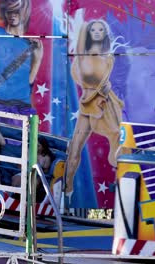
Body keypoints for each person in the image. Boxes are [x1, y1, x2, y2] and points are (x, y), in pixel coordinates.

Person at [65, 20, 124, 196]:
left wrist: (105, 87)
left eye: (101, 29)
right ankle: (67, 190)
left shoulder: (108, 58)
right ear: (88, 33)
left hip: (105, 103)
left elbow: (105, 82)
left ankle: (122, 186)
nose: (97, 32)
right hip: (87, 103)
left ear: (105, 34)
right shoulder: (82, 56)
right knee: (75, 148)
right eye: (94, 29)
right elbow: (80, 75)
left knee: (116, 140)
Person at [12, 137, 55, 202]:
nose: (36, 147)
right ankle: (13, 198)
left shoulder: (46, 158)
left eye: (38, 146)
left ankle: (28, 201)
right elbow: (20, 166)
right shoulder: (29, 152)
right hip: (25, 172)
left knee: (33, 183)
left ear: (43, 147)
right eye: (35, 145)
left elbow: (45, 172)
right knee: (16, 179)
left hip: (38, 176)